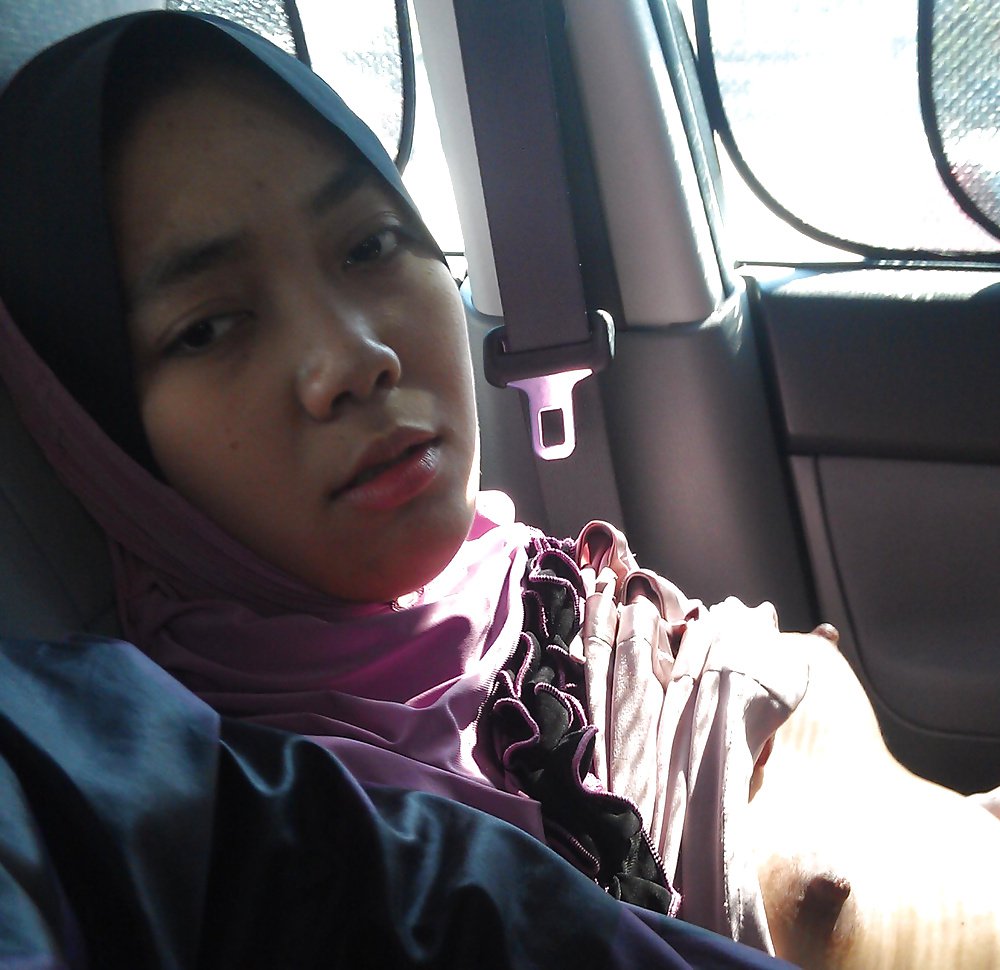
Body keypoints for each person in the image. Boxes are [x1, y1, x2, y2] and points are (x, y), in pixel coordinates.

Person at [0, 10, 997, 968]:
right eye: (209, 327)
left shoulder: (510, 586)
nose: (355, 360)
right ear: (94, 431)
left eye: (368, 246)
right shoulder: (287, 851)